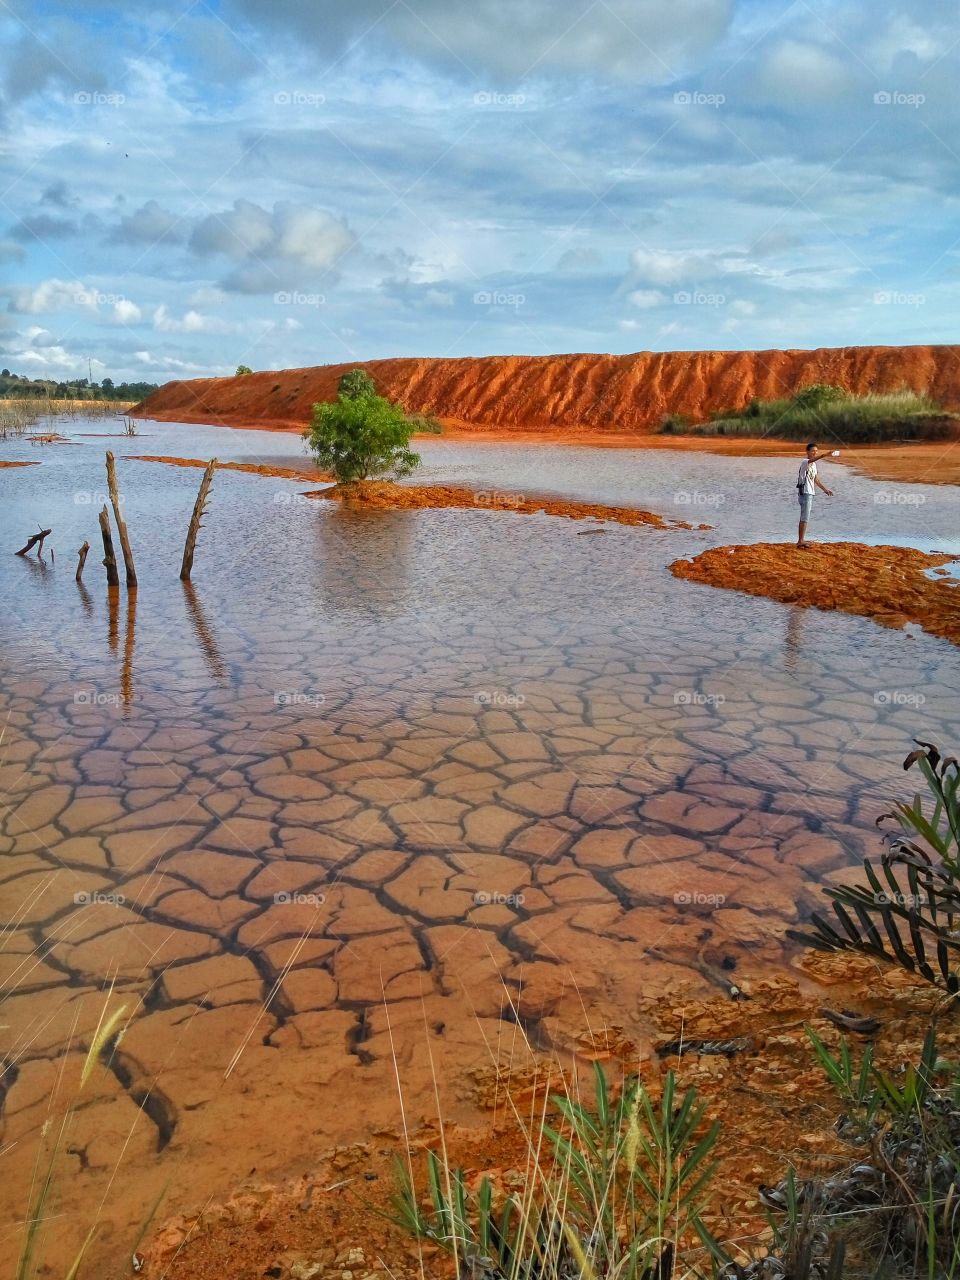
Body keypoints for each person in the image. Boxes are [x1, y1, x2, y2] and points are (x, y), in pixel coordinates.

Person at [796, 441, 833, 548]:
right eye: (813, 451)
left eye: (816, 451)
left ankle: (801, 539)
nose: (814, 453)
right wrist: (824, 455)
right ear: (807, 451)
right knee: (804, 517)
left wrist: (825, 489)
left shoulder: (814, 465)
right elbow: (812, 460)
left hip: (810, 493)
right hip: (805, 493)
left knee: (805, 517)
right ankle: (800, 540)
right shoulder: (805, 462)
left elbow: (815, 479)